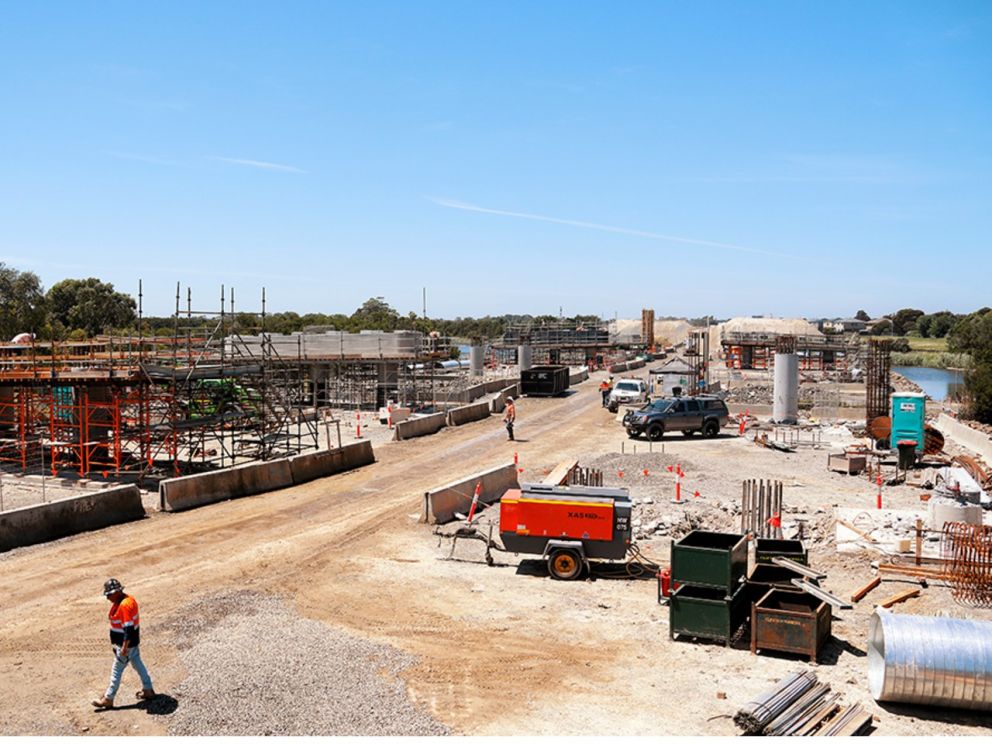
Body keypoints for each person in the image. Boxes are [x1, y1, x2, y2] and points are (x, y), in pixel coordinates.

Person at [92, 579, 156, 709]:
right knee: (138, 664)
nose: (108, 598)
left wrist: (124, 648)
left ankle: (108, 698)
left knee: (116, 671)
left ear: (117, 592)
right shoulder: (128, 600)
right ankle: (148, 689)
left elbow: (128, 628)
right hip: (133, 644)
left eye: (109, 595)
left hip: (126, 646)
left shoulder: (124, 605)